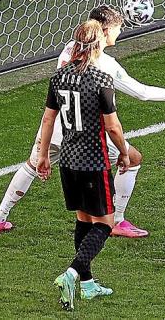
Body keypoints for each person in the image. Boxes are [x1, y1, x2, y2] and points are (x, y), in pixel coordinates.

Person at [0, 6, 165, 238]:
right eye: (118, 29)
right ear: (106, 30)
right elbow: (141, 93)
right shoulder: (105, 66)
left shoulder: (70, 48)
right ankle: (116, 221)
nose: (120, 34)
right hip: (84, 134)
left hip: (56, 127)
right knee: (133, 159)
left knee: (32, 166)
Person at [36, 20, 129, 310]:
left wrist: (42, 155)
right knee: (105, 224)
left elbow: (49, 119)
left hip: (68, 160)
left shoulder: (59, 77)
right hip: (93, 162)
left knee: (83, 220)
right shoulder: (101, 80)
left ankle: (87, 285)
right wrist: (124, 152)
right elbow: (112, 127)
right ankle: (72, 274)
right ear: (98, 44)